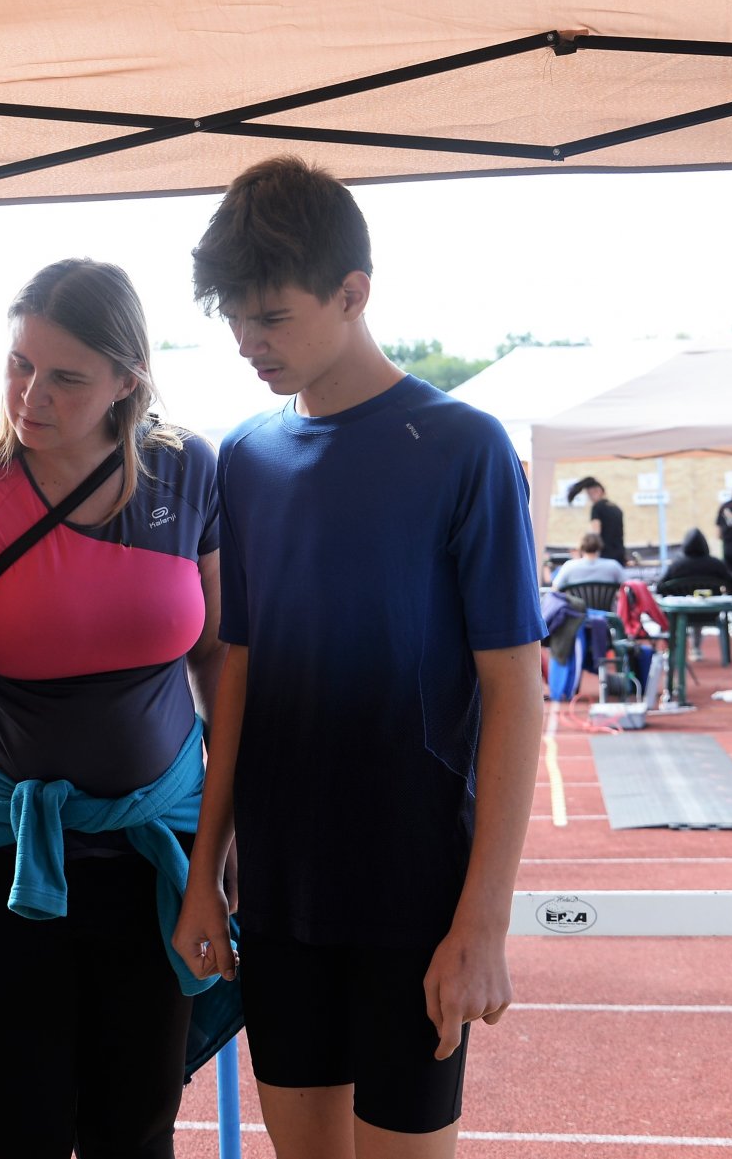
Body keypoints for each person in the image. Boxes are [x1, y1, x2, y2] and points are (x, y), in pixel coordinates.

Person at [173, 156, 546, 1156]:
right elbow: (236, 672)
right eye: (236, 321)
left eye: (273, 319)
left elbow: (516, 689)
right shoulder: (246, 456)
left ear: (353, 294)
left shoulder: (463, 448)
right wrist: (204, 868)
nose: (251, 344)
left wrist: (484, 922)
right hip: (283, 893)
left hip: (413, 892)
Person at [0, 259, 228, 1157]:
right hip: (2, 869)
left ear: (126, 381)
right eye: (20, 364)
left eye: (66, 377)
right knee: (13, 1131)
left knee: (135, 1132)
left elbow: (221, 661)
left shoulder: (188, 470)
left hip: (155, 861)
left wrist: (218, 851)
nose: (32, 395)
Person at [570, 476, 630, 564]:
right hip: (619, 555)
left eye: (590, 494)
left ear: (597, 491)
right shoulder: (616, 508)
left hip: (605, 556)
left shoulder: (597, 507)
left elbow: (595, 534)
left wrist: (582, 550)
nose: (589, 498)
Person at [658, 527, 732, 592]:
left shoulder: (676, 566)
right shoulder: (717, 565)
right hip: (710, 609)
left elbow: (660, 587)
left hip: (682, 610)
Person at [552, 532, 627, 590]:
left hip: (577, 610)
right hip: (607, 610)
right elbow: (627, 586)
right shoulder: (613, 566)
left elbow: (555, 589)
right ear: (600, 546)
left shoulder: (569, 566)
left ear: (581, 547)